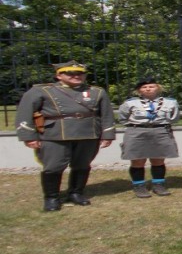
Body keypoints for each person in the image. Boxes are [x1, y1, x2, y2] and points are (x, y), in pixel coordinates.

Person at [15, 60, 116, 211]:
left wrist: (107, 135)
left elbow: (107, 114)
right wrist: (29, 136)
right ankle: (51, 197)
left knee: (82, 165)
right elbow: (25, 113)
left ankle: (76, 193)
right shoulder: (42, 91)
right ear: (59, 75)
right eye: (70, 73)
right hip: (55, 134)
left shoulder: (97, 91)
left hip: (88, 133)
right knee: (53, 166)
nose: (76, 76)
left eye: (80, 73)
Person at [118, 77, 180, 198]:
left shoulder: (170, 102)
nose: (148, 89)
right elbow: (122, 118)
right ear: (139, 90)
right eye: (144, 87)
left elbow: (175, 118)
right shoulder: (130, 103)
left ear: (158, 88)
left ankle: (158, 184)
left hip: (160, 130)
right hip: (137, 131)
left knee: (158, 159)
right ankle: (139, 186)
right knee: (137, 160)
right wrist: (137, 125)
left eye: (151, 86)